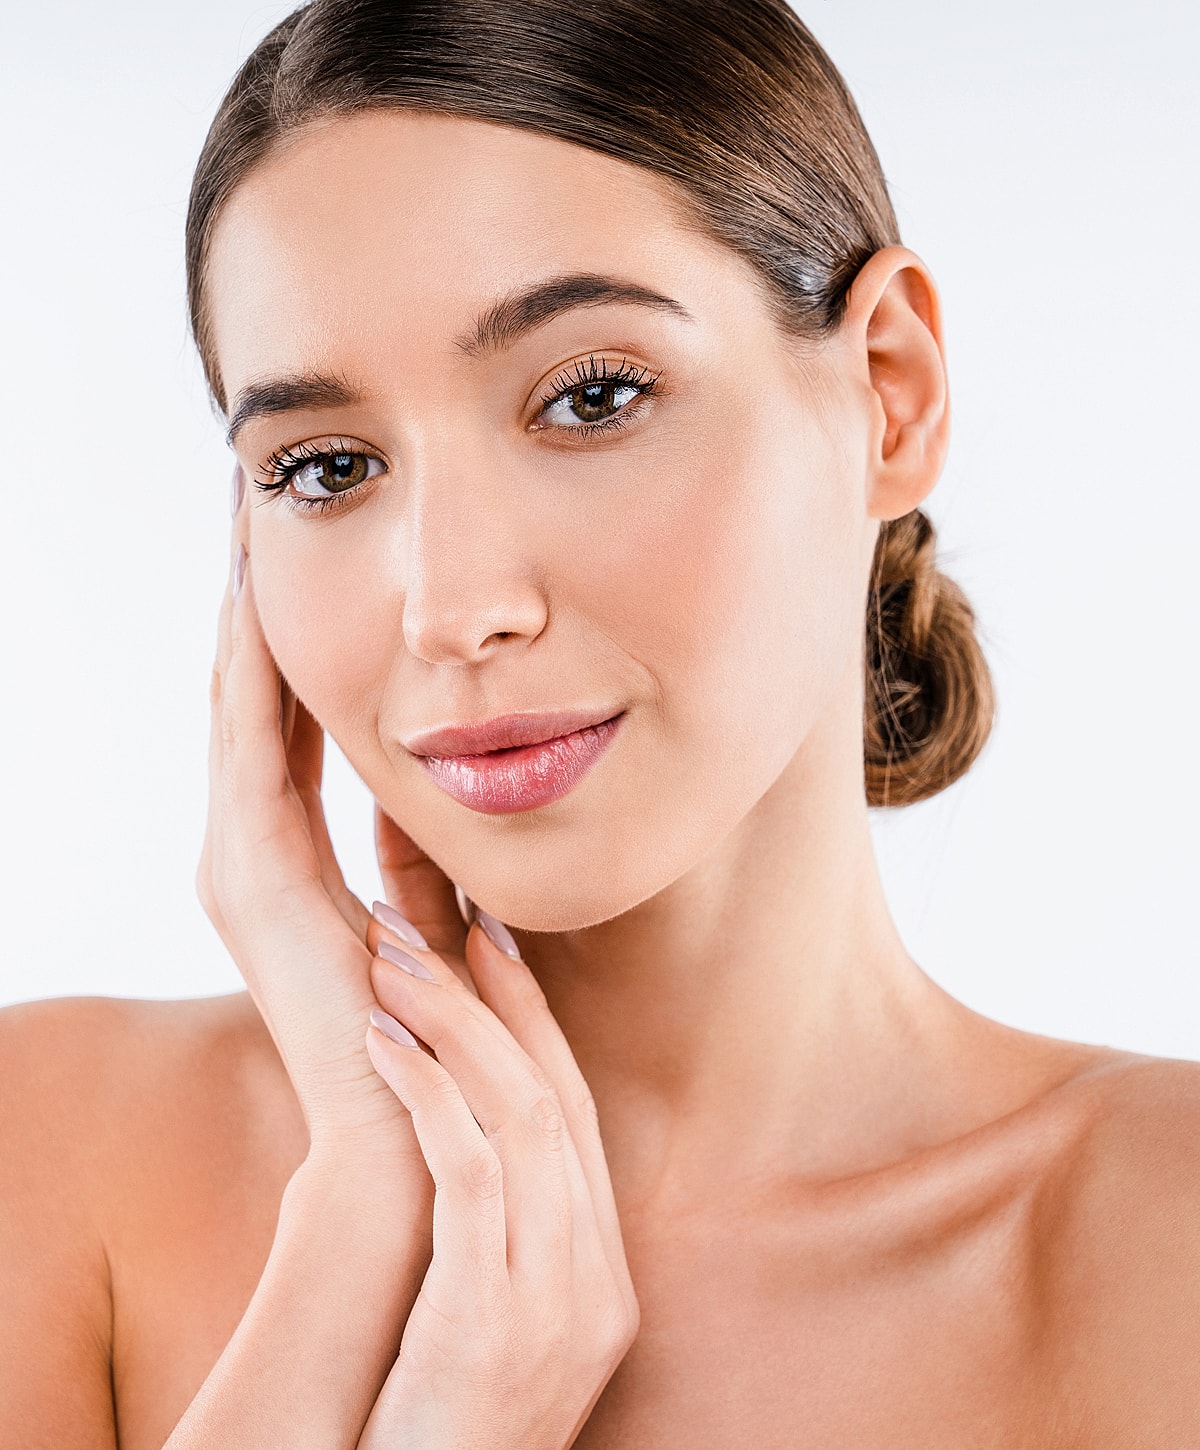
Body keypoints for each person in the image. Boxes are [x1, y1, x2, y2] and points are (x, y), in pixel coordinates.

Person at [3, 1, 1198, 1444]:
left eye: (593, 394)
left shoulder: (1160, 1242)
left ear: (889, 393)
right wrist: (369, 1246)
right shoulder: (50, 1155)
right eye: (326, 468)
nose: (452, 605)